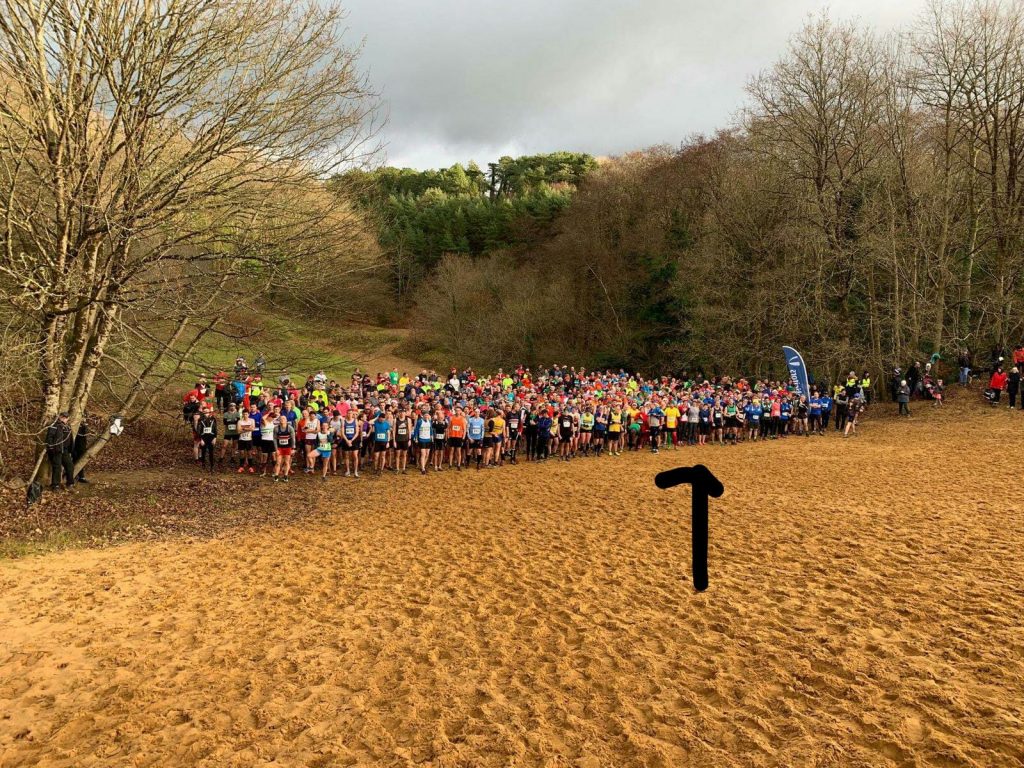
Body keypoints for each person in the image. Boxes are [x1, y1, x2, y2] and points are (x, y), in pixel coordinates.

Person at [45, 412, 75, 490]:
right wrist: (51, 448)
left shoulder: (68, 426)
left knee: (70, 466)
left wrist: (71, 450)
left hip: (65, 450)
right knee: (57, 467)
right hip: (56, 450)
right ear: (60, 417)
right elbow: (49, 437)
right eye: (63, 417)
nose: (64, 419)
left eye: (66, 417)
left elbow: (70, 438)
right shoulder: (54, 425)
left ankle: (70, 483)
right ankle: (55, 485)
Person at [272, 415, 295, 482]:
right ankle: (276, 475)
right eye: (281, 419)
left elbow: (293, 439)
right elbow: (275, 439)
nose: (282, 420)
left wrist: (293, 448)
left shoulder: (290, 428)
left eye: (284, 418)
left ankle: (285, 475)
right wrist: (276, 449)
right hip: (280, 448)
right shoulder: (276, 428)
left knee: (287, 462)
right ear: (279, 420)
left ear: (286, 420)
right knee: (278, 462)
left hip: (288, 447)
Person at [72, 414, 89, 483]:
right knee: (74, 460)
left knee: (81, 460)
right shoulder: (75, 425)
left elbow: (85, 436)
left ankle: (81, 476)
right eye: (83, 417)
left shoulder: (84, 426)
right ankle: (74, 476)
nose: (84, 419)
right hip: (75, 447)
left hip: (82, 447)